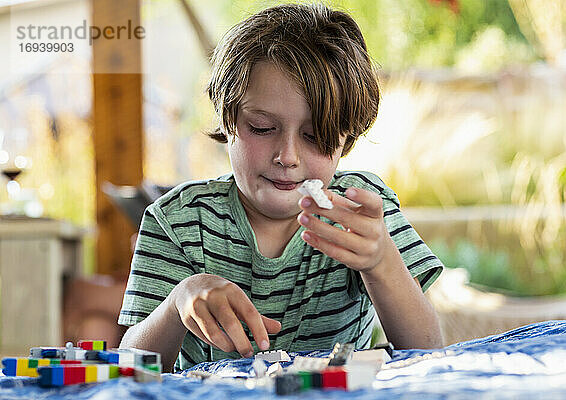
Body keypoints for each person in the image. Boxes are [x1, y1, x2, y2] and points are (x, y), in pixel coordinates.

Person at [118, 3, 444, 372]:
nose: (287, 157)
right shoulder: (177, 219)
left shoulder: (360, 211)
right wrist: (178, 302)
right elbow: (131, 365)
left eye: (314, 136)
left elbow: (427, 349)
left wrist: (380, 260)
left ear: (346, 138)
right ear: (228, 119)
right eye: (261, 127)